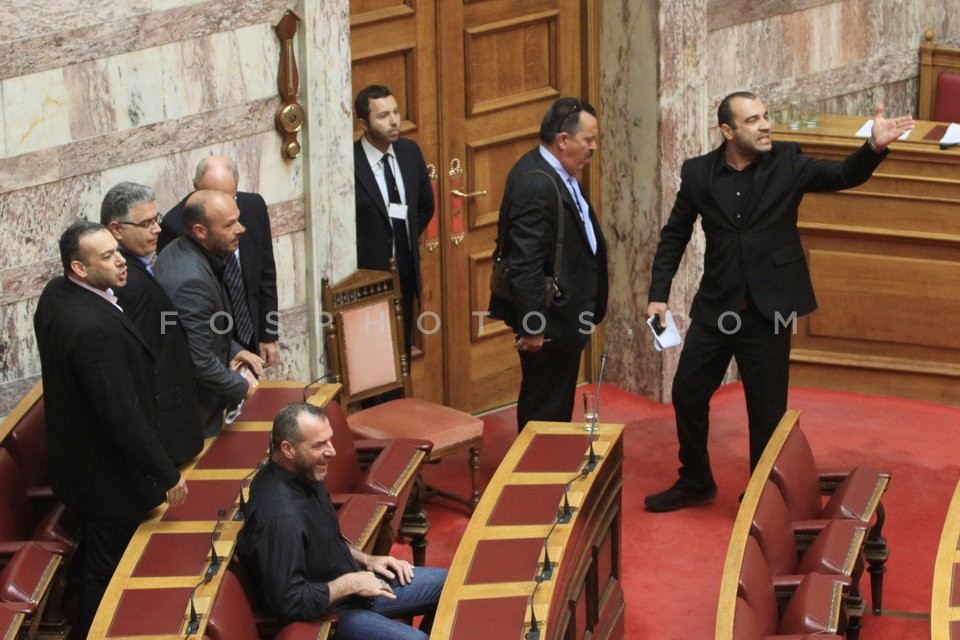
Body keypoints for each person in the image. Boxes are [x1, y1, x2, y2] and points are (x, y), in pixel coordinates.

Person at [643, 91, 915, 512]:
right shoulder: (698, 174)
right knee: (687, 394)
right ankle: (695, 479)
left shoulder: (788, 161)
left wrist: (873, 147)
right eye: (753, 120)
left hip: (770, 311)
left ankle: (760, 496)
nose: (766, 125)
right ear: (727, 130)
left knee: (767, 413)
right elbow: (675, 233)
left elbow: (842, 174)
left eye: (766, 116)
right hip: (717, 309)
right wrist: (658, 294)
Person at [33, 221, 188, 638]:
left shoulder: (56, 294)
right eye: (107, 256)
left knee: (97, 567)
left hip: (82, 465)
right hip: (106, 480)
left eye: (117, 250)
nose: (121, 259)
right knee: (108, 575)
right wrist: (166, 471)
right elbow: (120, 413)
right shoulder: (92, 329)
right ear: (79, 269)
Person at [237, 402, 447, 640]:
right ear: (287, 449)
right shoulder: (281, 518)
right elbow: (289, 602)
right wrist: (349, 584)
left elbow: (321, 541)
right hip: (330, 611)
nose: (332, 451)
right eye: (319, 445)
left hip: (353, 582)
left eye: (329, 440)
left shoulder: (303, 470)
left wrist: (366, 559)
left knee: (451, 586)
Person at [488, 97, 609, 432]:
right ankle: (537, 477)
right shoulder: (536, 183)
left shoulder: (559, 171)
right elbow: (524, 261)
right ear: (563, 140)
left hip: (564, 314)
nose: (593, 148)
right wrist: (532, 326)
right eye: (589, 140)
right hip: (549, 318)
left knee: (555, 401)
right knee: (545, 406)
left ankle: (548, 468)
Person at [100, 181, 203, 465]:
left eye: (155, 220)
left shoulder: (134, 269)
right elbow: (141, 359)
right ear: (116, 229)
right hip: (165, 425)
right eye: (146, 223)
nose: (157, 229)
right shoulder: (126, 283)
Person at [154, 189, 263, 437]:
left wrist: (235, 349)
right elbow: (199, 360)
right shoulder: (190, 281)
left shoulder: (182, 250)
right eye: (229, 225)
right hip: (198, 416)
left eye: (238, 219)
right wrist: (242, 386)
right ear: (201, 232)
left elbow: (207, 325)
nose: (241, 229)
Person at [159, 156, 281, 367]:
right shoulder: (174, 225)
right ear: (195, 187)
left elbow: (265, 274)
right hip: (214, 342)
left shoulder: (254, 207)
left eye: (229, 197)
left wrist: (268, 333)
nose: (223, 205)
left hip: (251, 330)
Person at [353, 85, 435, 361]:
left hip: (405, 275)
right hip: (368, 282)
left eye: (396, 112)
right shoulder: (349, 163)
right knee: (373, 362)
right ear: (363, 123)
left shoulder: (409, 152)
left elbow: (425, 206)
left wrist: (403, 243)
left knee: (401, 357)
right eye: (383, 115)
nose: (394, 121)